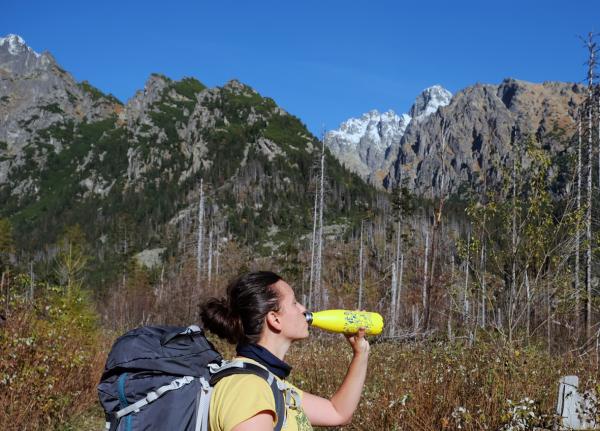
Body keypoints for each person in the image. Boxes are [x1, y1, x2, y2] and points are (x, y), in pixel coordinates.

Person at [200, 271, 370, 431]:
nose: (303, 309)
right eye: (294, 303)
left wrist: (361, 352)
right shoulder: (248, 388)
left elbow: (337, 412)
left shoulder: (270, 382)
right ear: (275, 319)